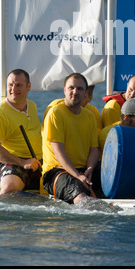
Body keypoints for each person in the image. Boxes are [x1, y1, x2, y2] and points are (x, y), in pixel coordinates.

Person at [42, 73, 101, 204]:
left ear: (85, 92)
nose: (75, 92)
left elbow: (94, 150)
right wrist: (77, 176)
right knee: (82, 199)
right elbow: (58, 151)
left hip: (83, 170)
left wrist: (90, 169)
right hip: (57, 171)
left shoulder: (90, 116)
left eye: (80, 89)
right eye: (71, 88)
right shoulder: (56, 113)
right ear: (64, 90)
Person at [0, 69, 42, 195]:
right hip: (12, 162)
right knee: (9, 189)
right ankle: (0, 183)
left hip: (37, 160)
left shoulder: (32, 106)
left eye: (18, 85)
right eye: (10, 85)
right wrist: (22, 163)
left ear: (28, 87)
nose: (13, 89)